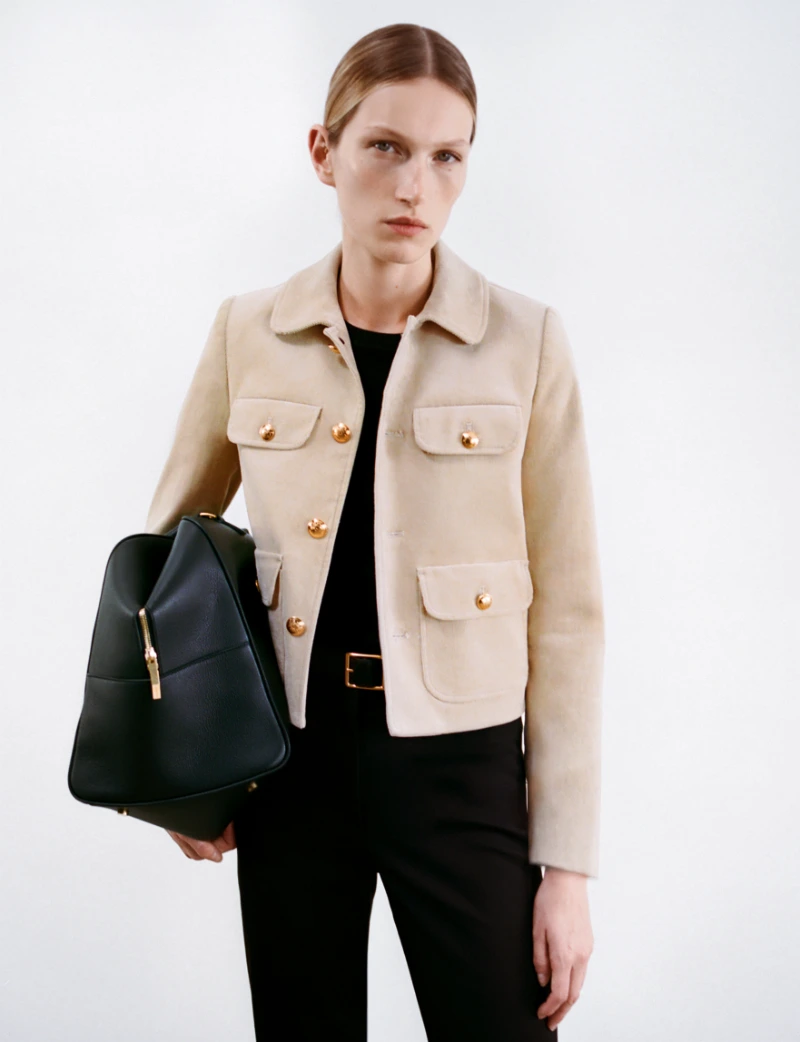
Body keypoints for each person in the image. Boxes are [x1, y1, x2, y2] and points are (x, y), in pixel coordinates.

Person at [144, 22, 604, 1041]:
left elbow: (570, 616)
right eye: (386, 147)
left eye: (446, 156)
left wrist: (566, 869)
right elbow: (164, 565)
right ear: (325, 152)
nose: (414, 186)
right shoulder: (248, 329)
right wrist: (180, 771)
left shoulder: (526, 342)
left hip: (464, 768)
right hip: (287, 764)